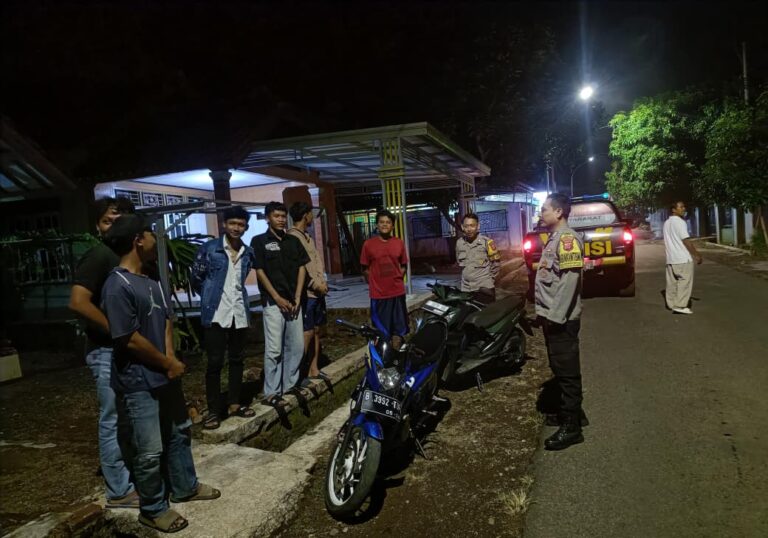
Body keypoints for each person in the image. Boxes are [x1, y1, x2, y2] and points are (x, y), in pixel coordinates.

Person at [101, 214, 220, 533]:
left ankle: (185, 487)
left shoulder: (151, 279)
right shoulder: (117, 285)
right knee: (149, 449)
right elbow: (129, 338)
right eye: (151, 233)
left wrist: (169, 358)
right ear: (138, 240)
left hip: (163, 375)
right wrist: (166, 364)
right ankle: (152, 509)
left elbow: (167, 319)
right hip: (138, 381)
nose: (157, 239)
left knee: (180, 432)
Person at [68, 196, 138, 508]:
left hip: (126, 349)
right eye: (108, 221)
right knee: (112, 416)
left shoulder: (127, 258)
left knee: (128, 415)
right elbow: (78, 302)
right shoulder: (99, 256)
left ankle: (130, 473)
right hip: (105, 349)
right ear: (98, 226)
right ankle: (118, 490)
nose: (113, 227)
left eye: (119, 221)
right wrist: (113, 328)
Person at [190, 206, 256, 430]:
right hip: (216, 313)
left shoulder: (248, 252)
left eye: (241, 224)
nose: (236, 228)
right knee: (215, 363)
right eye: (233, 223)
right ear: (224, 224)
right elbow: (196, 278)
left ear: (246, 227)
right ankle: (214, 410)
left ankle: (234, 403)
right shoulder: (209, 249)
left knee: (237, 359)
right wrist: (209, 296)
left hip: (239, 312)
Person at [535, 193, 586, 451]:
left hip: (561, 319)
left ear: (558, 212)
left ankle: (572, 428)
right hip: (552, 316)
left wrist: (555, 317)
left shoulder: (567, 240)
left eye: (544, 209)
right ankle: (572, 414)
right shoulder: (554, 238)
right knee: (559, 367)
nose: (541, 213)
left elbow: (569, 282)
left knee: (567, 374)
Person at [251, 201, 309, 406]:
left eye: (283, 216)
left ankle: (290, 384)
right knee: (275, 349)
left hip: (294, 303)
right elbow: (260, 271)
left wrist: (298, 297)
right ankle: (271, 392)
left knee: (297, 346)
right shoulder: (259, 241)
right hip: (273, 303)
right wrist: (276, 297)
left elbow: (302, 268)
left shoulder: (293, 241)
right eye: (276, 216)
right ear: (268, 218)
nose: (281, 220)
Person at [287, 202, 330, 387]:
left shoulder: (308, 237)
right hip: (307, 294)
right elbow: (299, 268)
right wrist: (314, 284)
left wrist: (323, 282)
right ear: (305, 215)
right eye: (311, 214)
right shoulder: (292, 238)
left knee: (317, 330)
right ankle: (297, 374)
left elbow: (316, 262)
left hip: (318, 292)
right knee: (307, 332)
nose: (313, 217)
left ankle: (314, 369)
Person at [360, 209, 409, 347]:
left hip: (397, 293)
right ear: (377, 225)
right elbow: (364, 268)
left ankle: (397, 354)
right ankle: (382, 356)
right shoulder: (368, 245)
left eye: (388, 222)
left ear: (392, 226)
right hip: (379, 295)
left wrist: (397, 279)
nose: (385, 225)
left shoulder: (399, 243)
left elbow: (404, 265)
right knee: (381, 331)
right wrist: (374, 283)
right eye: (381, 222)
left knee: (398, 331)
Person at [663, 201, 702, 314]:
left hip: (671, 258)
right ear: (673, 210)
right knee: (684, 282)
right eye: (681, 207)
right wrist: (696, 254)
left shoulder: (666, 223)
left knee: (672, 283)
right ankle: (680, 306)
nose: (684, 208)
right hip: (682, 258)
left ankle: (671, 304)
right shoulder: (680, 222)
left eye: (684, 206)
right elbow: (686, 240)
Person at [455, 212, 501, 303]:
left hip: (484, 289)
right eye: (466, 226)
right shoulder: (459, 243)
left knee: (488, 312)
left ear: (478, 226)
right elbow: (459, 262)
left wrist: (489, 281)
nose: (469, 229)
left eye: (472, 226)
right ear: (462, 227)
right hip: (466, 290)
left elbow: (496, 265)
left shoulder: (487, 242)